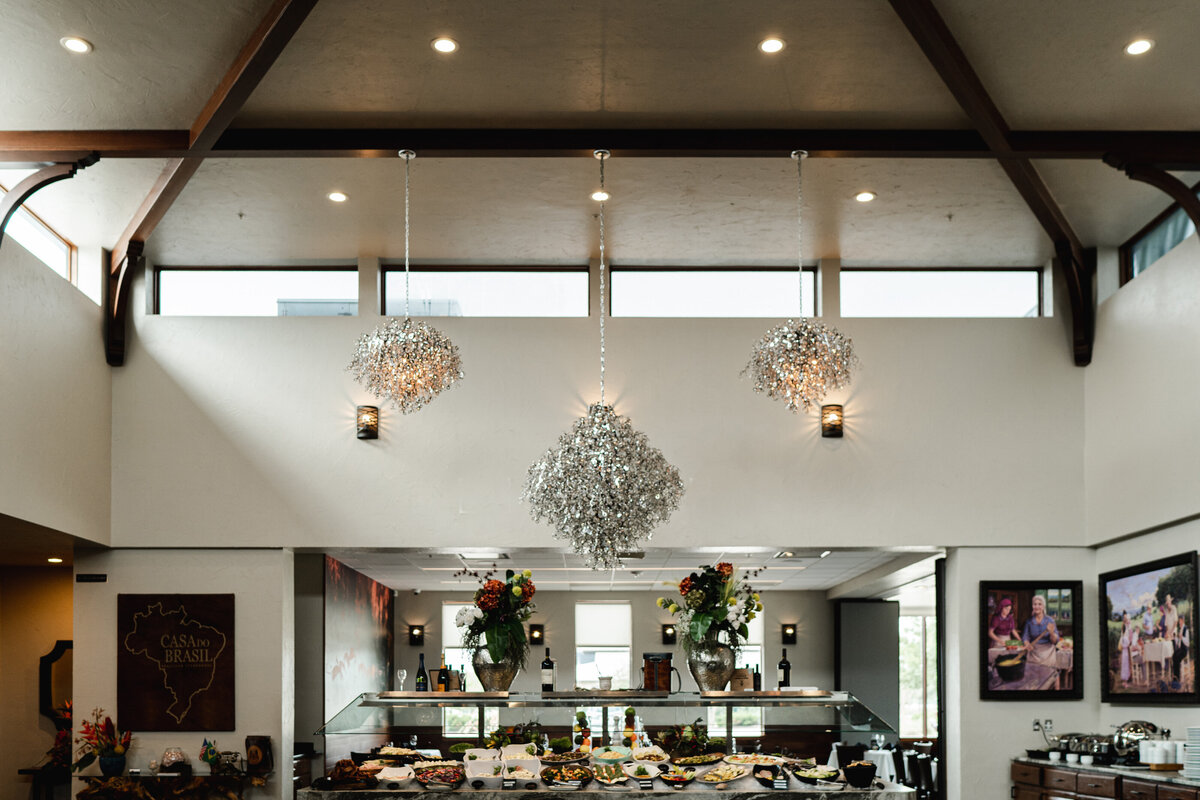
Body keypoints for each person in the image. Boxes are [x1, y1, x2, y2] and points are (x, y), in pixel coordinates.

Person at [1023, 595, 1061, 688]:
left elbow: (1055, 641)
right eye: (1035, 604)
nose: (1037, 606)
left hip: (1048, 653)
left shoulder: (1050, 620)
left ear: (1043, 606)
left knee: (1053, 675)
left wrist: (1052, 633)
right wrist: (1027, 644)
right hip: (1034, 653)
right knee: (1033, 678)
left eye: (1039, 604)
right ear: (1032, 606)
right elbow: (1025, 637)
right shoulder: (1029, 622)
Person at [1118, 612, 1140, 688]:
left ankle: (1128, 678)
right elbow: (1125, 639)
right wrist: (1128, 642)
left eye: (1127, 619)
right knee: (1125, 664)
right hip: (1126, 648)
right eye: (1126, 619)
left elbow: (1129, 636)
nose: (1128, 621)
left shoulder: (1128, 628)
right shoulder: (1124, 630)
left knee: (1127, 664)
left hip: (1127, 648)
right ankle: (1125, 680)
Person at [1173, 614, 1190, 684]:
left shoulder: (1186, 629)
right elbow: (1179, 642)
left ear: (1182, 620)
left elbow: (1187, 642)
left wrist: (1181, 637)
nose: (1179, 622)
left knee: (1177, 657)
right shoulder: (1180, 629)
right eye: (1179, 621)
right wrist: (1175, 638)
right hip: (1181, 648)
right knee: (1174, 655)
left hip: (1185, 650)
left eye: (1180, 621)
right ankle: (1175, 676)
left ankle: (1177, 678)